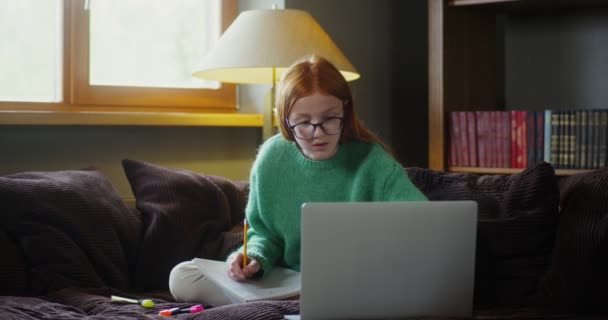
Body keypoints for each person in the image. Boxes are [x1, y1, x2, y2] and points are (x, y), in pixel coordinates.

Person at [168, 55, 427, 306]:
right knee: (184, 276)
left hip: (353, 281)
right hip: (290, 280)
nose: (318, 133)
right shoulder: (272, 158)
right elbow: (264, 233)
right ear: (285, 120)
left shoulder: (373, 163)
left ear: (345, 112)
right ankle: (296, 303)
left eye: (329, 119)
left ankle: (294, 304)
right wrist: (252, 257)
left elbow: (423, 224)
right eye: (303, 122)